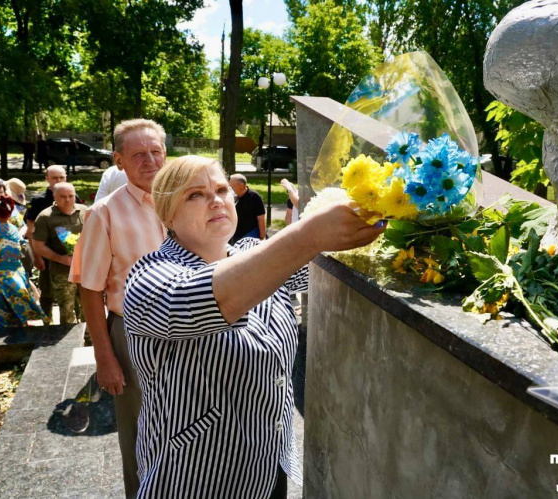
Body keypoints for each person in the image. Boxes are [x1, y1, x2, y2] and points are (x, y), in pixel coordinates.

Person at [123, 156, 386, 498]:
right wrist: (307, 235)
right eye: (195, 195)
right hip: (194, 476)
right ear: (167, 214)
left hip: (268, 468)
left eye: (221, 190)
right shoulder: (149, 278)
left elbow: (327, 264)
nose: (216, 199)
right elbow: (214, 297)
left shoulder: (253, 252)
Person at [69, 119, 167, 497]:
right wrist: (105, 358)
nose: (149, 161)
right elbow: (90, 291)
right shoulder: (104, 214)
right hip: (134, 334)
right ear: (119, 161)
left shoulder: (183, 200)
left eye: (155, 151)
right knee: (142, 434)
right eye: (138, 154)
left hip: (189, 331)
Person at [0, 196, 46, 328]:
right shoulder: (13, 229)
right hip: (17, 274)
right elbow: (22, 245)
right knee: (17, 309)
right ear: (10, 214)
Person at [25, 166, 76, 320]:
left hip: (73, 259)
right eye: (54, 178)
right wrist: (37, 257)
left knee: (74, 298)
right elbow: (30, 231)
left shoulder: (74, 197)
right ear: (46, 178)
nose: (58, 181)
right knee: (47, 293)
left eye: (61, 177)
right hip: (48, 256)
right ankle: (46, 323)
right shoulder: (39, 201)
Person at [32, 183, 86, 325]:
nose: (67, 200)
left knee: (87, 308)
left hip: (86, 271)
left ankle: (89, 339)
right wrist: (61, 259)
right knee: (67, 311)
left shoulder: (85, 211)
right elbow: (38, 245)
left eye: (71, 196)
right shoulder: (45, 217)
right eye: (63, 197)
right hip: (62, 272)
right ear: (54, 196)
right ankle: (69, 343)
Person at [229, 173, 266, 242]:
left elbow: (261, 218)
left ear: (241, 186)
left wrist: (262, 237)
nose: (230, 189)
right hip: (235, 235)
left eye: (232, 186)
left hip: (250, 236)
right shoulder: (233, 197)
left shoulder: (254, 197)